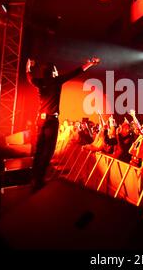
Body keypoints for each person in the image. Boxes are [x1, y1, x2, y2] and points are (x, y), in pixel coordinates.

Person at [26, 56, 100, 191]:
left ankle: (34, 178)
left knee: (39, 150)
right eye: (56, 70)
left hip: (40, 120)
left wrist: (28, 67)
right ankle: (39, 180)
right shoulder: (56, 81)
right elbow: (76, 72)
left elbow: (29, 77)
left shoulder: (39, 81)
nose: (58, 72)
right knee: (48, 151)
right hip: (51, 120)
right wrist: (90, 63)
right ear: (53, 72)